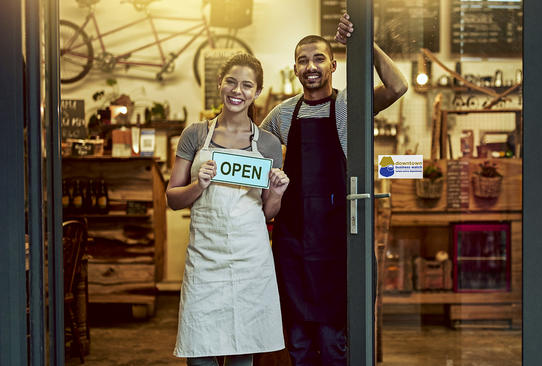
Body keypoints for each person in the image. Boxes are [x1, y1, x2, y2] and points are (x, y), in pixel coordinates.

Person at [260, 13, 408, 366]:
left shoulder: (350, 106)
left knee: (332, 340)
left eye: (319, 58)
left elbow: (398, 87)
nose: (310, 66)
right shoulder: (281, 115)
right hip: (294, 242)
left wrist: (364, 43)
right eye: (302, 60)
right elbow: (253, 149)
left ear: (333, 65)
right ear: (295, 69)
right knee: (297, 340)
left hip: (339, 239)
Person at [167, 53, 290, 366]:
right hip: (205, 259)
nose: (238, 90)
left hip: (249, 260)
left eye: (247, 85)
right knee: (199, 352)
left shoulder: (268, 144)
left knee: (242, 352)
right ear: (220, 84)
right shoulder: (194, 135)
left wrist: (276, 193)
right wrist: (198, 185)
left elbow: (267, 213)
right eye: (232, 82)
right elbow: (172, 198)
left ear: (257, 92)